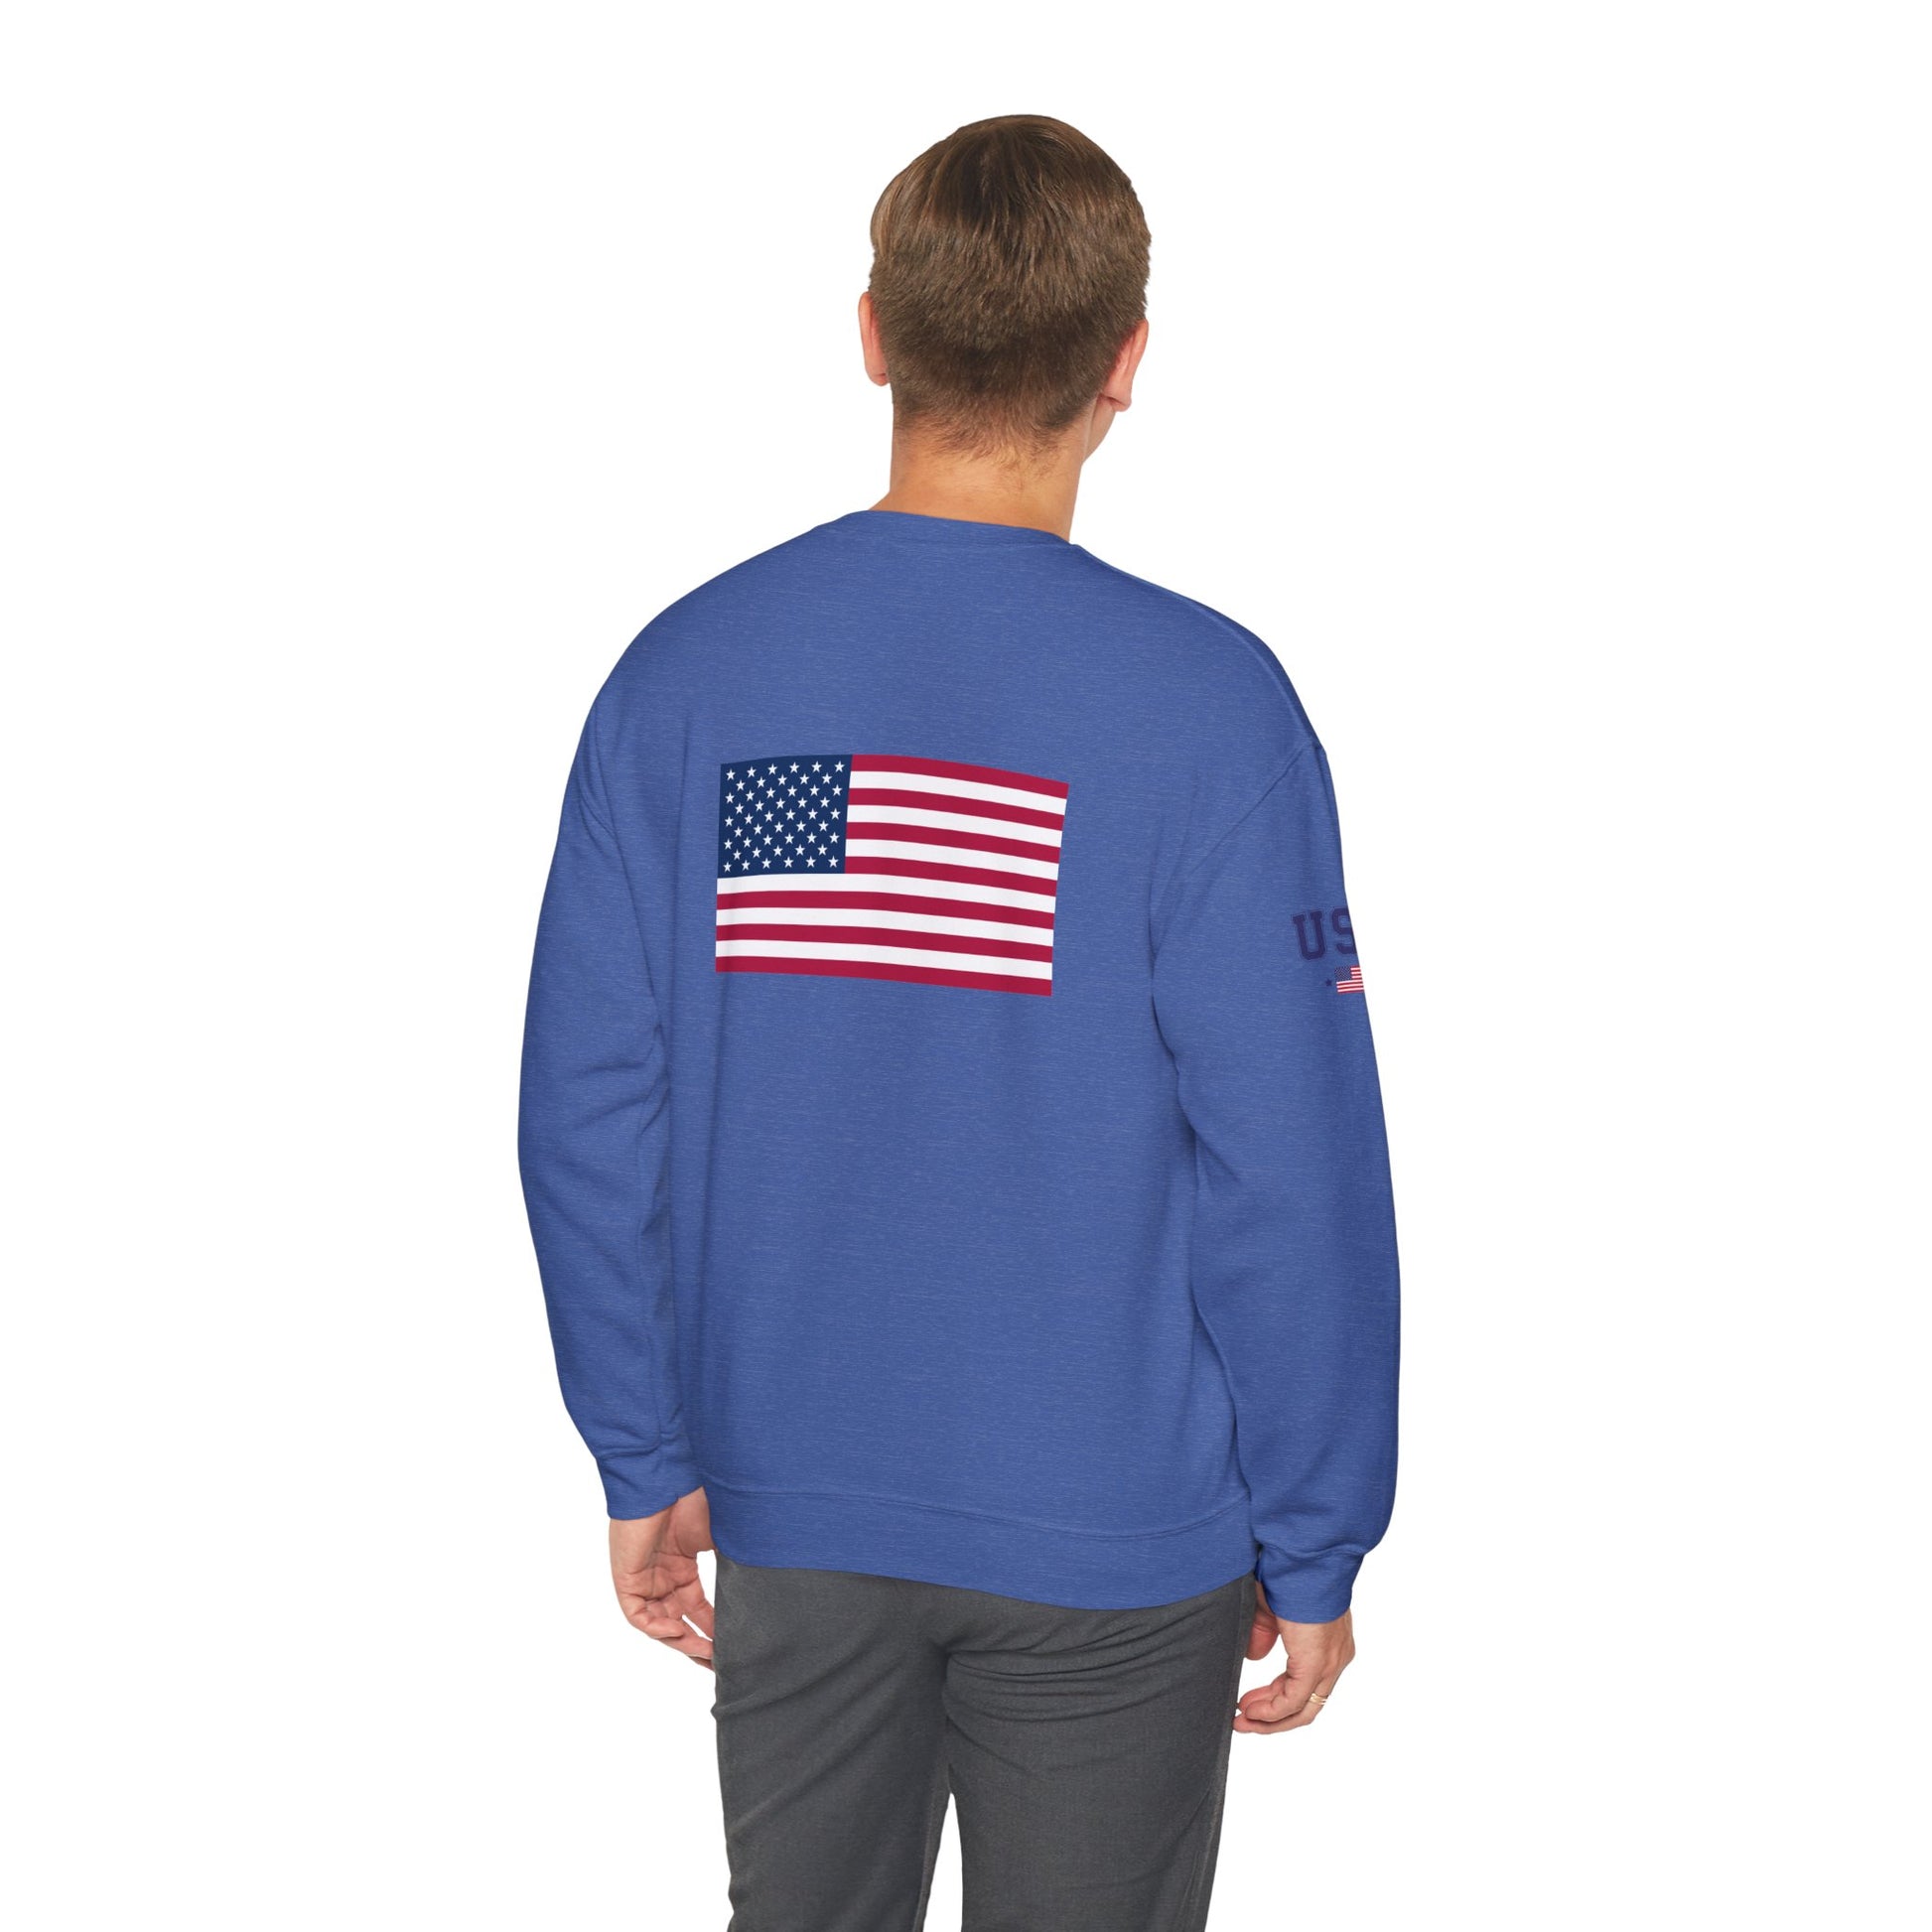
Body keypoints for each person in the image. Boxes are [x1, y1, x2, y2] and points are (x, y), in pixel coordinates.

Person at [519, 113, 1400, 1931]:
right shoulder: (1211, 708)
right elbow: (1288, 1162)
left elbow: (591, 1108)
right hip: (1117, 1528)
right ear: (1127, 361)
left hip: (794, 1499)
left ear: (871, 334)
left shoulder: (688, 676)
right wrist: (1313, 1528)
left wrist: (644, 1445)